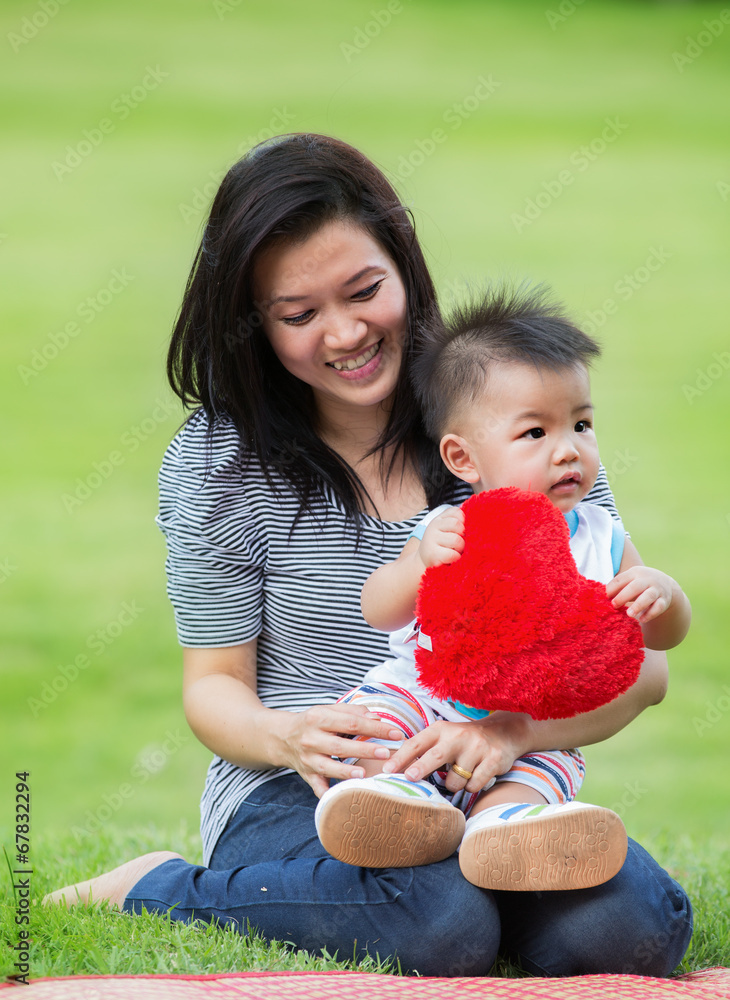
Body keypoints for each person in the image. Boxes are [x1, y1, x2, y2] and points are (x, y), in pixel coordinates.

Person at [45, 133, 693, 979]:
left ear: (404, 266)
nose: (346, 333)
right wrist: (289, 735)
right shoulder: (220, 465)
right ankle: (159, 885)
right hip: (311, 782)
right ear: (252, 323)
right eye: (298, 314)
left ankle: (477, 878)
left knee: (624, 931)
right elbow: (213, 689)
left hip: (502, 763)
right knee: (438, 923)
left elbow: (641, 670)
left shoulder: (510, 412)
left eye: (364, 291)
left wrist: (508, 731)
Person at [314, 286, 691, 893]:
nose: (569, 448)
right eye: (535, 433)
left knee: (550, 767)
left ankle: (507, 827)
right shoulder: (450, 528)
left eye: (582, 423)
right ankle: (396, 804)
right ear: (463, 458)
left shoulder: (604, 538)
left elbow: (659, 644)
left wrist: (664, 596)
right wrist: (419, 568)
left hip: (533, 724)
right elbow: (377, 608)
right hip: (427, 701)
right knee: (375, 728)